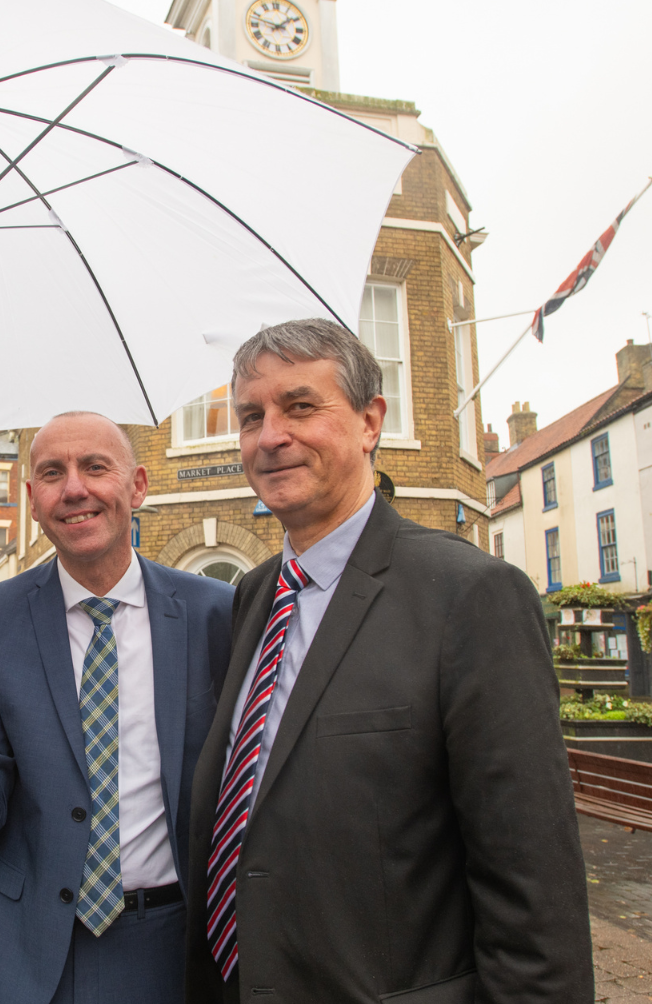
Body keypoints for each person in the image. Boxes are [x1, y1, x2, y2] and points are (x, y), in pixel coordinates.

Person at [183, 320, 593, 1004]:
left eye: (301, 406)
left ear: (370, 421)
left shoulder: (470, 595)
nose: (271, 435)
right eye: (252, 416)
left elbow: (533, 887)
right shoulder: (253, 596)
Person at [0, 411, 235, 1004]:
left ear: (137, 486)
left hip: (173, 946)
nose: (74, 488)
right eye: (52, 473)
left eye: (95, 467)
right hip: (30, 955)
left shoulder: (217, 613)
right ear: (32, 498)